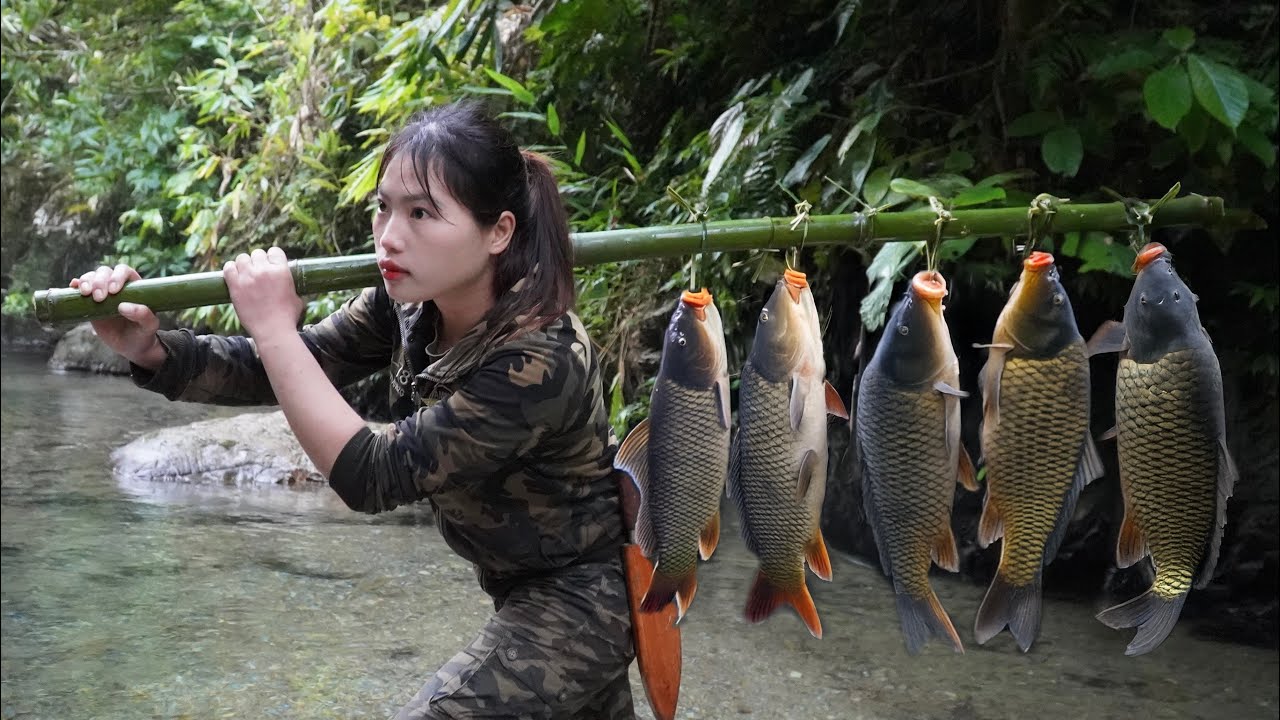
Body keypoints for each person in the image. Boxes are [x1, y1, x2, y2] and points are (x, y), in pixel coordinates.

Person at [70, 101, 636, 719]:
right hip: (517, 587)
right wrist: (152, 349)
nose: (390, 235)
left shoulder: (540, 358)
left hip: (583, 601)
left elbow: (371, 475)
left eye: (422, 213)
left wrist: (273, 327)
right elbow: (296, 367)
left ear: (498, 232)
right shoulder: (411, 302)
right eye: (383, 207)